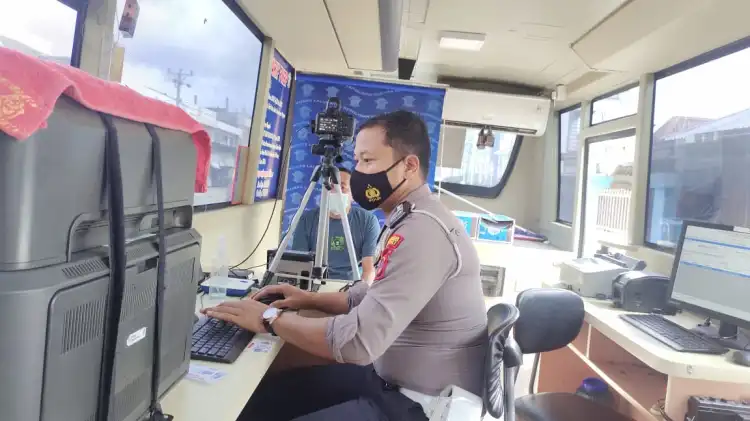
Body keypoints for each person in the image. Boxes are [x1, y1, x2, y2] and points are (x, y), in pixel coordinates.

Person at [202, 110, 488, 421]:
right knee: (268, 398)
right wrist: (309, 299)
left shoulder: (423, 231)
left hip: (419, 406)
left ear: (409, 166)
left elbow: (358, 341)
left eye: (368, 161)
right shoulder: (409, 218)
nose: (359, 173)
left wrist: (268, 318)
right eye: (357, 161)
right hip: (387, 382)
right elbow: (375, 294)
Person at [291, 166, 380, 282]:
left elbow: (368, 270)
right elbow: (300, 266)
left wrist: (360, 290)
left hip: (351, 284)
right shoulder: (307, 220)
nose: (336, 192)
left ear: (353, 195)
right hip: (314, 283)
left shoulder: (368, 221)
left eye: (342, 187)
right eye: (331, 187)